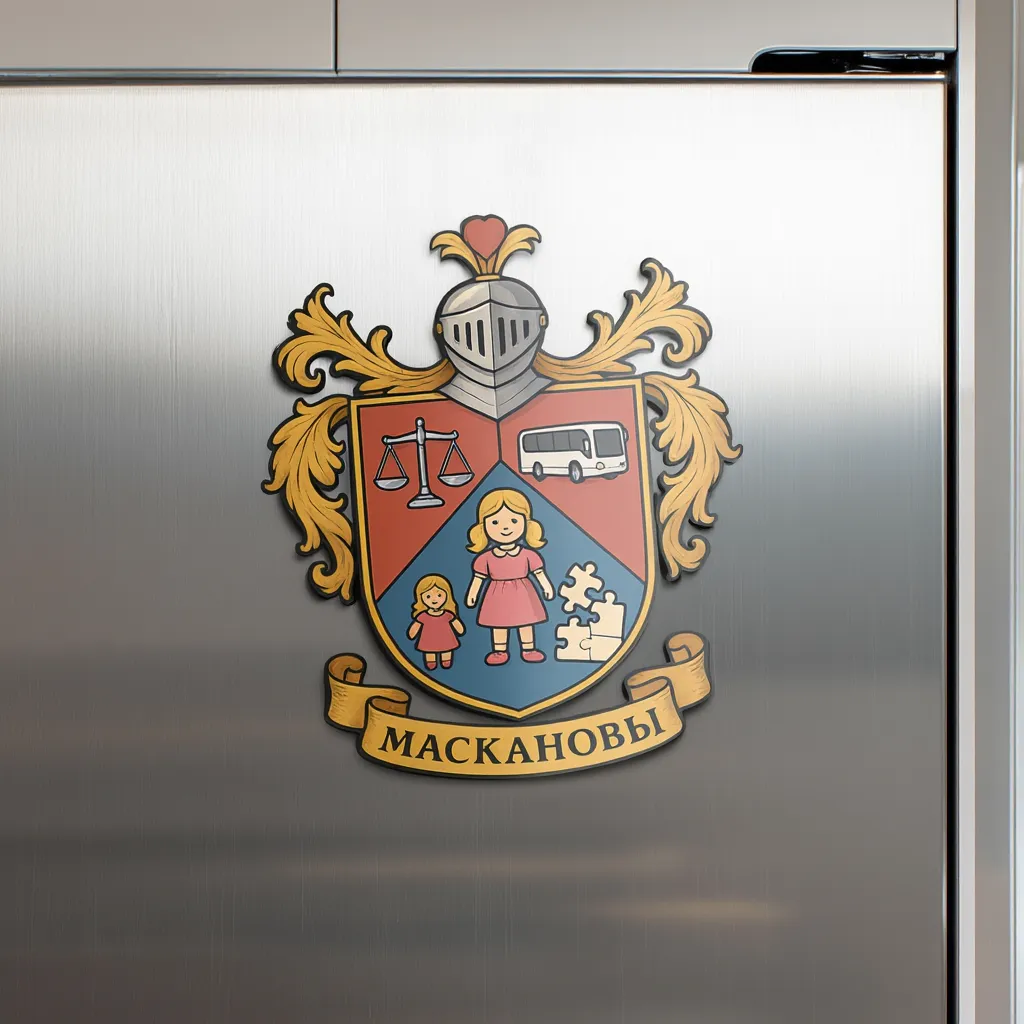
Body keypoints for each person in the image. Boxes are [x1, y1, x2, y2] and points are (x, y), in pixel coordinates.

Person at [465, 488, 555, 664]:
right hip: (497, 595)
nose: (505, 527)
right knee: (498, 622)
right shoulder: (486, 558)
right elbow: (478, 578)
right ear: (483, 527)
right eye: (495, 522)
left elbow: (539, 573)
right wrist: (472, 594)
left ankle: (528, 648)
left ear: (526, 523)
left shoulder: (528, 555)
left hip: (523, 594)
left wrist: (547, 586)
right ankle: (499, 651)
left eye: (514, 520)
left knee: (526, 621)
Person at [407, 574, 465, 670]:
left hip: (446, 638)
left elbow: (459, 628)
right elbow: (414, 630)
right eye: (428, 596)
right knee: (429, 654)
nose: (434, 599)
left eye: (439, 595)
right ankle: (431, 662)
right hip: (429, 639)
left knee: (447, 652)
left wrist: (460, 630)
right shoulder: (423, 616)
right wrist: (412, 634)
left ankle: (446, 661)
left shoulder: (448, 615)